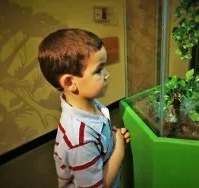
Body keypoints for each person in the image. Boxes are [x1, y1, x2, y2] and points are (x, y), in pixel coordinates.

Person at [38, 28, 130, 188]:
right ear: (69, 83)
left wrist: (114, 138)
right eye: (99, 69)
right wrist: (119, 149)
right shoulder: (79, 141)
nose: (107, 74)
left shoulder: (92, 106)